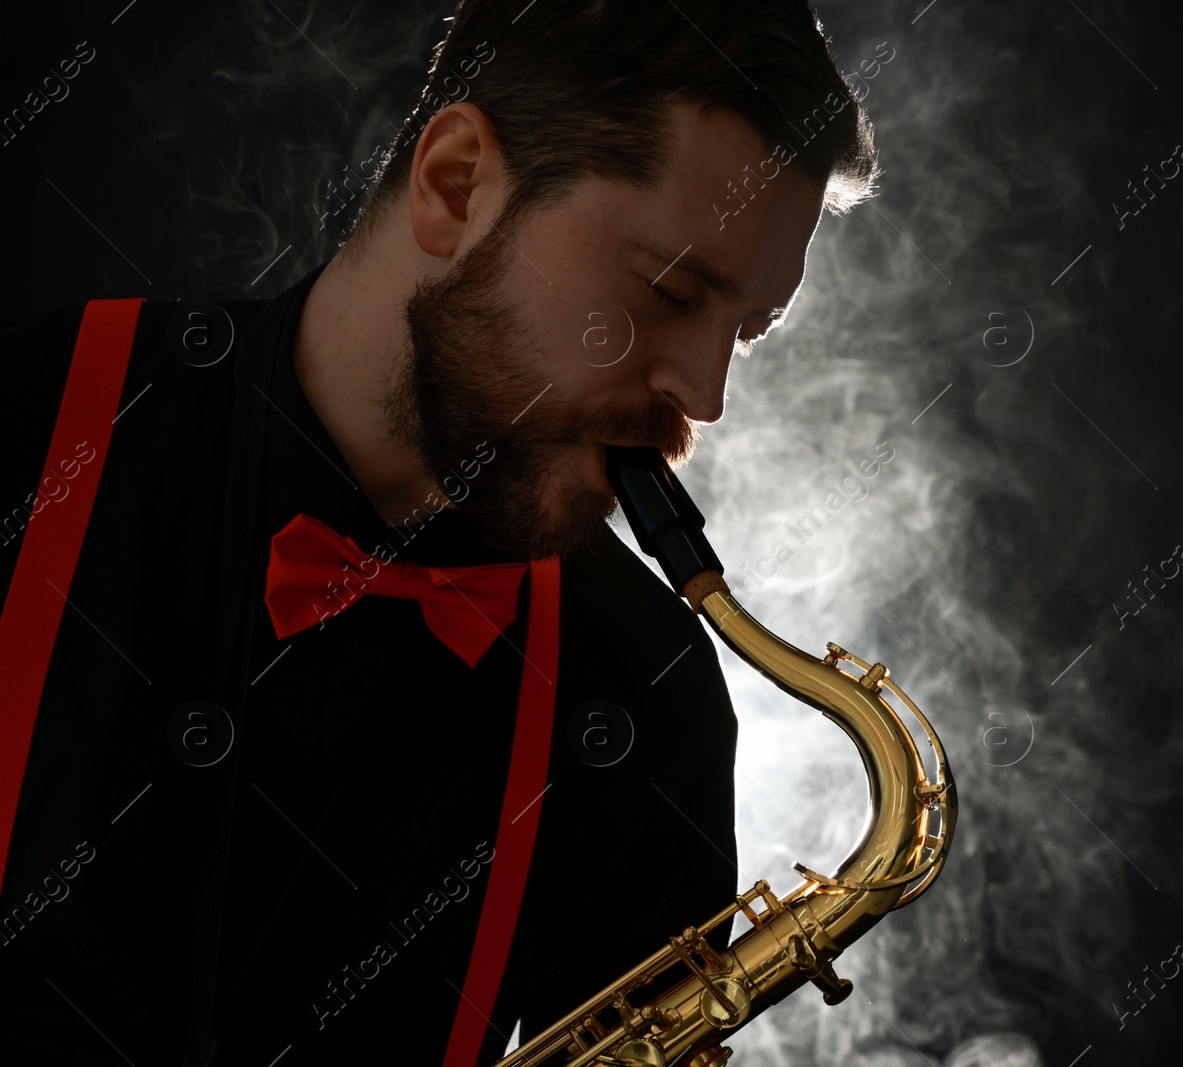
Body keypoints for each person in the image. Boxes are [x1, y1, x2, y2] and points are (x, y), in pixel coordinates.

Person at [0, 1, 881, 1064]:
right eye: (669, 289)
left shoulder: (647, 700)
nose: (704, 393)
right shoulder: (25, 420)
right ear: (456, 183)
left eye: (745, 330)